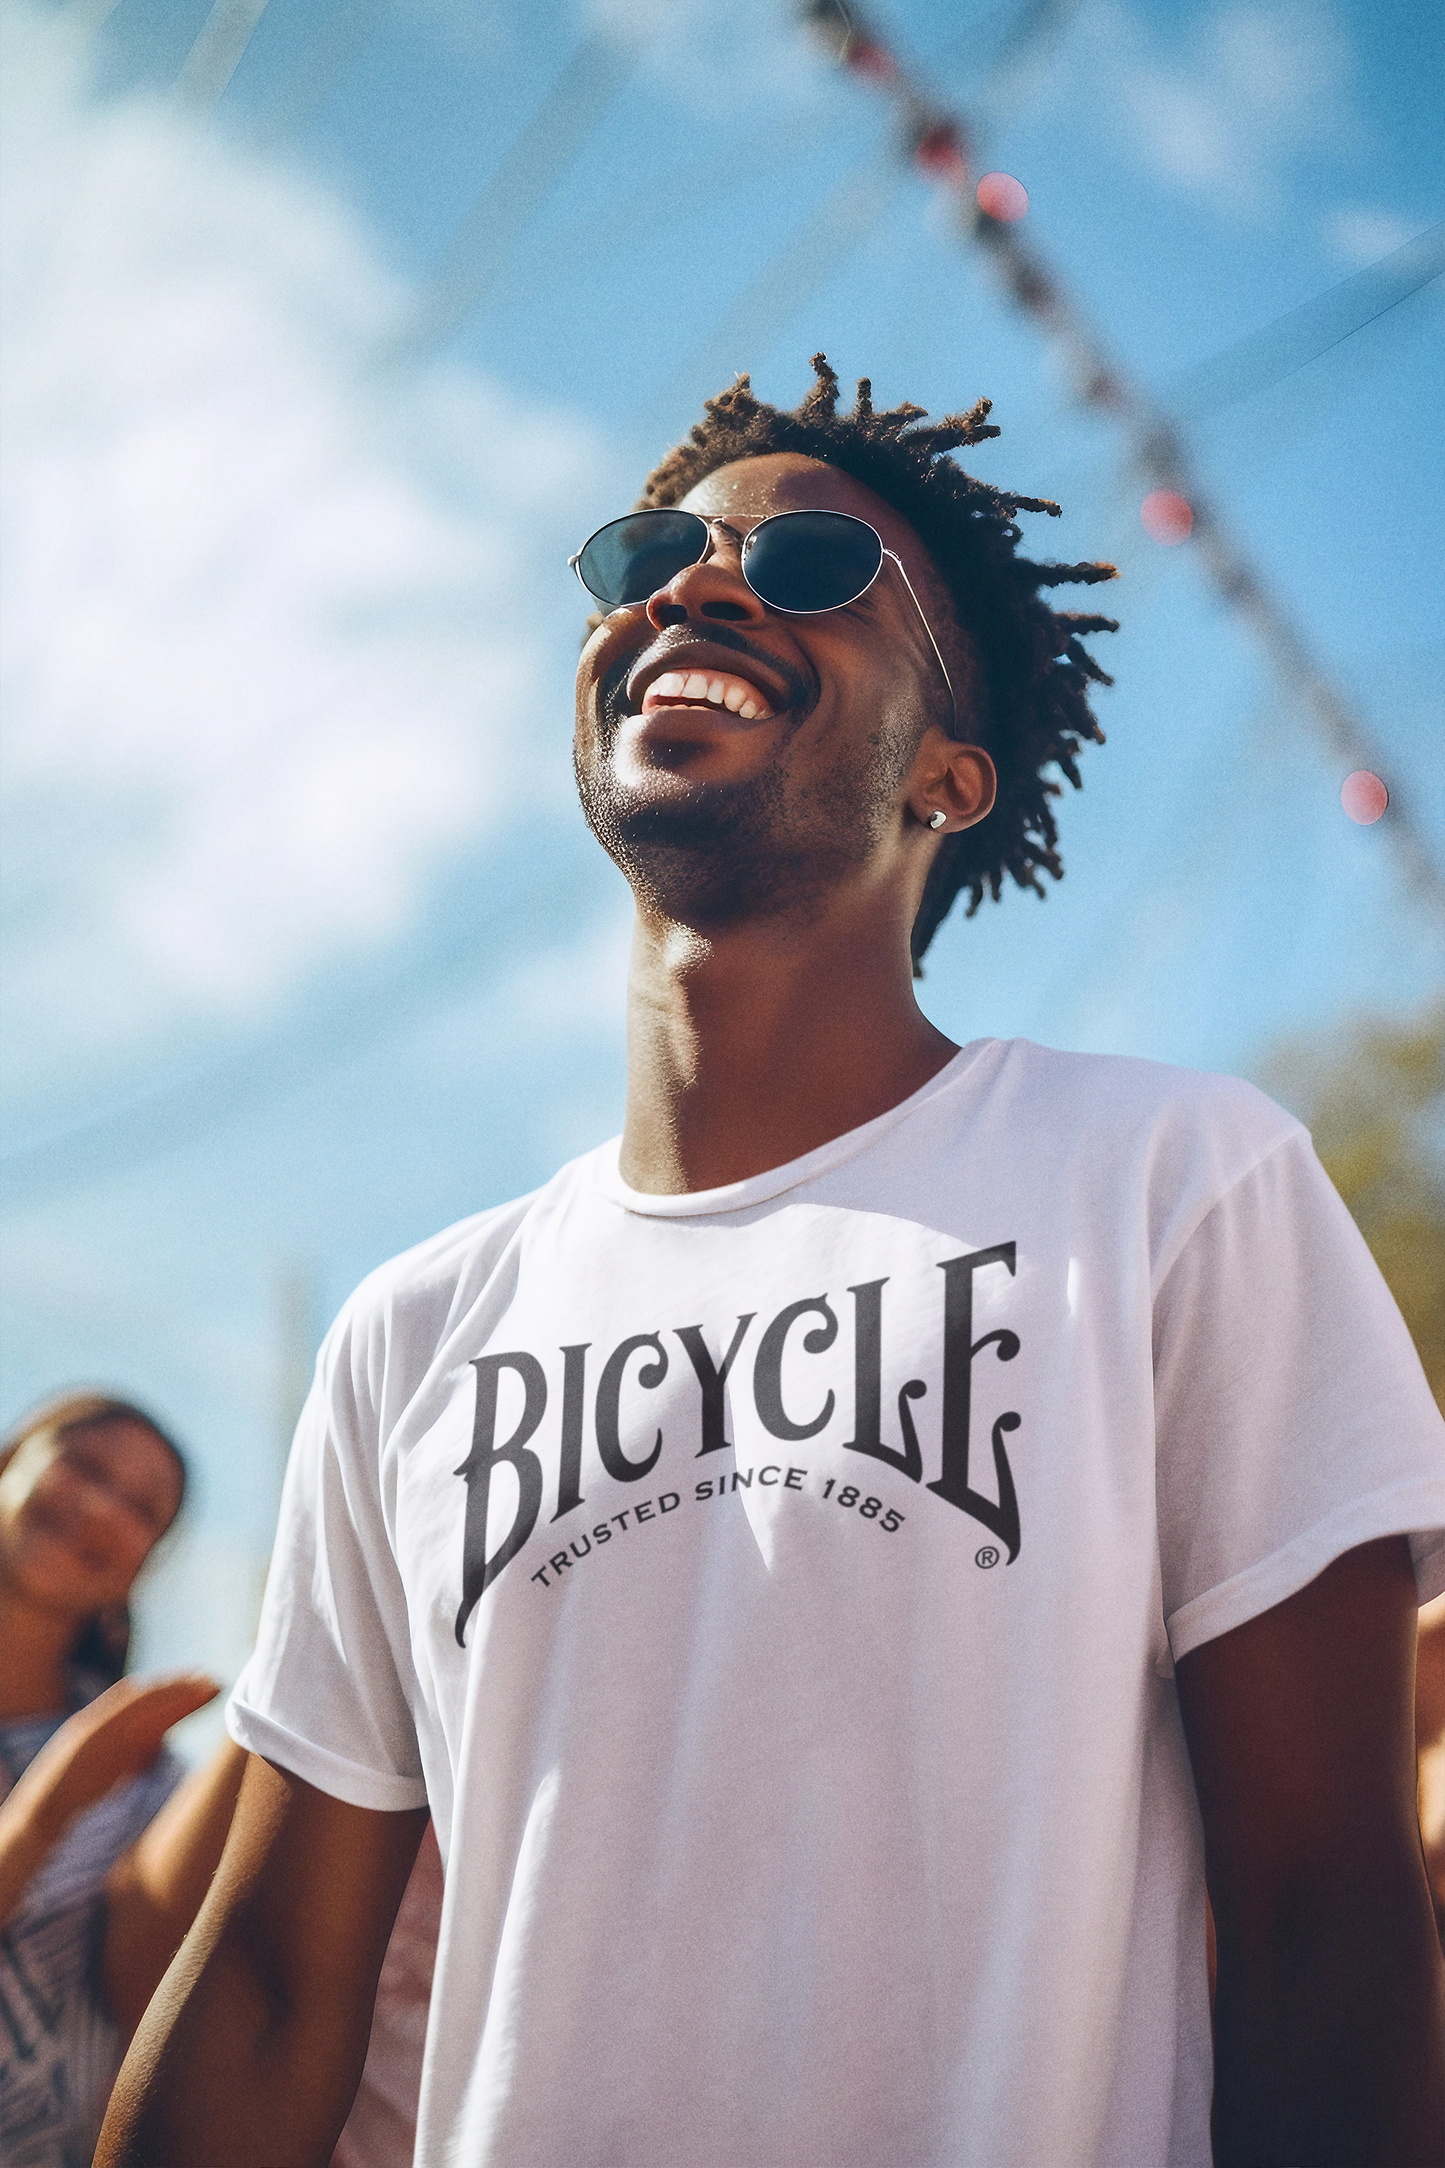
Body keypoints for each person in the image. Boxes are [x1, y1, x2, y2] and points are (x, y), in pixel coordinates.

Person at [98, 359, 1445, 2168]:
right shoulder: (411, 1332)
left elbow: (1323, 1917)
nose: (698, 585)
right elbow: (265, 1984)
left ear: (951, 775)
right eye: (658, 550)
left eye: (814, 566)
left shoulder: (1171, 1184)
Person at [0, 1391, 243, 2167]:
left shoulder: (149, 1788)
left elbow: (157, 2019)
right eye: (84, 1467)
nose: (103, 1507)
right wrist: (47, 1809)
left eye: (143, 1509)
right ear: (13, 1462)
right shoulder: (87, 1775)